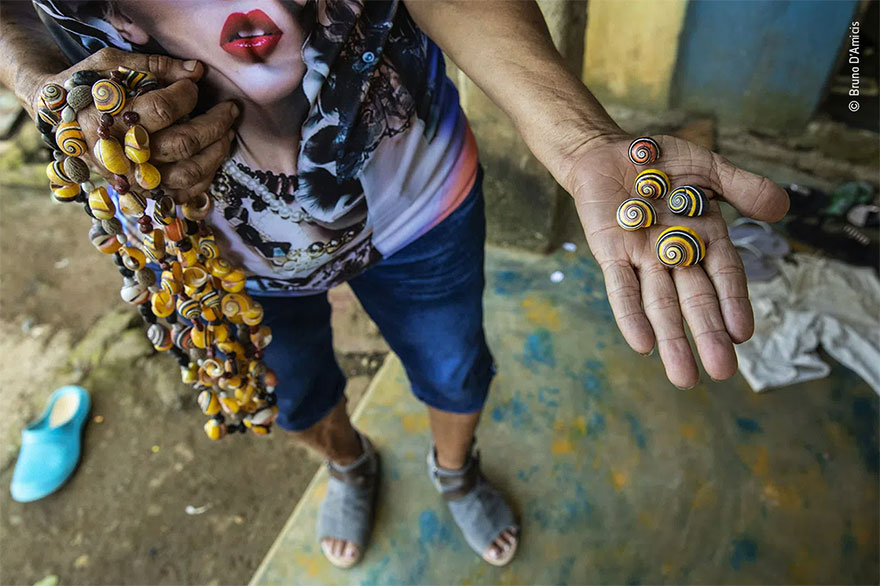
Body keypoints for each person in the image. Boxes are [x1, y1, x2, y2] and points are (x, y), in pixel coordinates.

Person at [0, 0, 789, 569]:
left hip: (421, 198)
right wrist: (47, 87)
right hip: (208, 254)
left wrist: (580, 141)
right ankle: (350, 464)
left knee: (453, 366)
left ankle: (455, 470)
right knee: (296, 397)